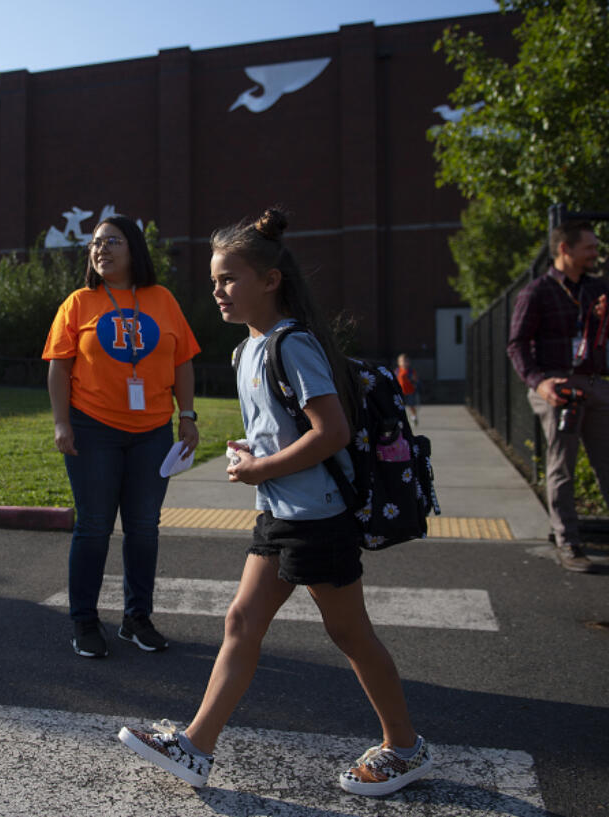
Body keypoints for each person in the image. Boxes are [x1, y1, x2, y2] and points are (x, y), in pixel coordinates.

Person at [118, 209, 431, 797]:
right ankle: (196, 746)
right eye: (214, 281)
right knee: (241, 620)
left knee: (351, 634)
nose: (218, 291)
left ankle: (405, 749)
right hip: (282, 513)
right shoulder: (248, 350)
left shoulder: (294, 345)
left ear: (270, 280)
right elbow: (287, 430)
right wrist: (252, 451)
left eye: (230, 279)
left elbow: (330, 431)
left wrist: (259, 466)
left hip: (316, 518)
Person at [42, 215, 200, 658]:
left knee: (144, 529)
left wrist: (186, 415)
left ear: (134, 248)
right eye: (95, 243)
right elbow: (59, 365)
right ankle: (85, 621)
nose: (101, 249)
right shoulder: (79, 302)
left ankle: (137, 619)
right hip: (93, 429)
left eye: (112, 241)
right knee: (93, 527)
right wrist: (61, 423)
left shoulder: (162, 299)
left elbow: (182, 361)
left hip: (153, 431)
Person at [506, 221, 609, 573]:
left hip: (594, 384)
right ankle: (569, 544)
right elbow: (517, 345)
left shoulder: (598, 289)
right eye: (590, 248)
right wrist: (540, 384)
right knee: (561, 467)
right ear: (565, 249)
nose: (596, 254)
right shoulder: (536, 292)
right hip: (558, 388)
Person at [395, 353, 420, 426]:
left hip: (410, 392)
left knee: (411, 405)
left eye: (406, 361)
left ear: (409, 363)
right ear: (399, 363)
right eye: (402, 361)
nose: (404, 363)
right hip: (400, 392)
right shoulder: (397, 371)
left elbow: (415, 380)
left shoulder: (411, 371)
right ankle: (400, 419)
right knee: (399, 407)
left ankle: (414, 416)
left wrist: (413, 379)